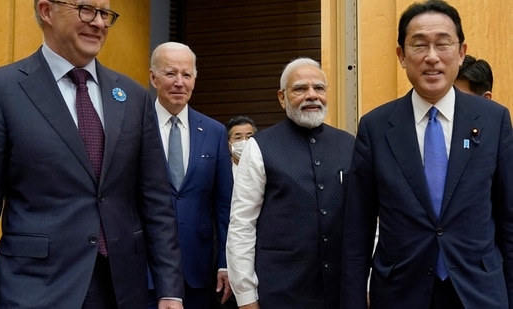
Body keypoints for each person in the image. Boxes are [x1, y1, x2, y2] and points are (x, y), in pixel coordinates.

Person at [0, 1, 185, 308]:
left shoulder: (133, 98)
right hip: (35, 292)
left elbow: (157, 203)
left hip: (122, 292)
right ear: (46, 11)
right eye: (85, 9)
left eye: (104, 14)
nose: (98, 23)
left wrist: (170, 290)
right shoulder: (1, 91)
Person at [341, 1, 513, 308]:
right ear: (401, 56)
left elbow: (508, 217)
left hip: (479, 292)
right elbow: (358, 229)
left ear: (461, 52)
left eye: (443, 44)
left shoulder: (493, 119)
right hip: (401, 293)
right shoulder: (375, 127)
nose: (432, 57)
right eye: (419, 45)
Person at [226, 57, 355, 308]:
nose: (311, 95)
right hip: (281, 292)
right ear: (282, 97)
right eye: (300, 89)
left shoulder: (349, 144)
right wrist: (246, 295)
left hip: (341, 291)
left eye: (318, 88)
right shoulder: (259, 147)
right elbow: (242, 225)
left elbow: (366, 220)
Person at [148, 42, 234, 309]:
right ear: (153, 77)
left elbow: (224, 206)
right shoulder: (134, 126)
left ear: (195, 79)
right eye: (170, 73)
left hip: (199, 269)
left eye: (186, 75)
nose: (179, 82)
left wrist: (225, 262)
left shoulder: (214, 131)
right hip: (145, 269)